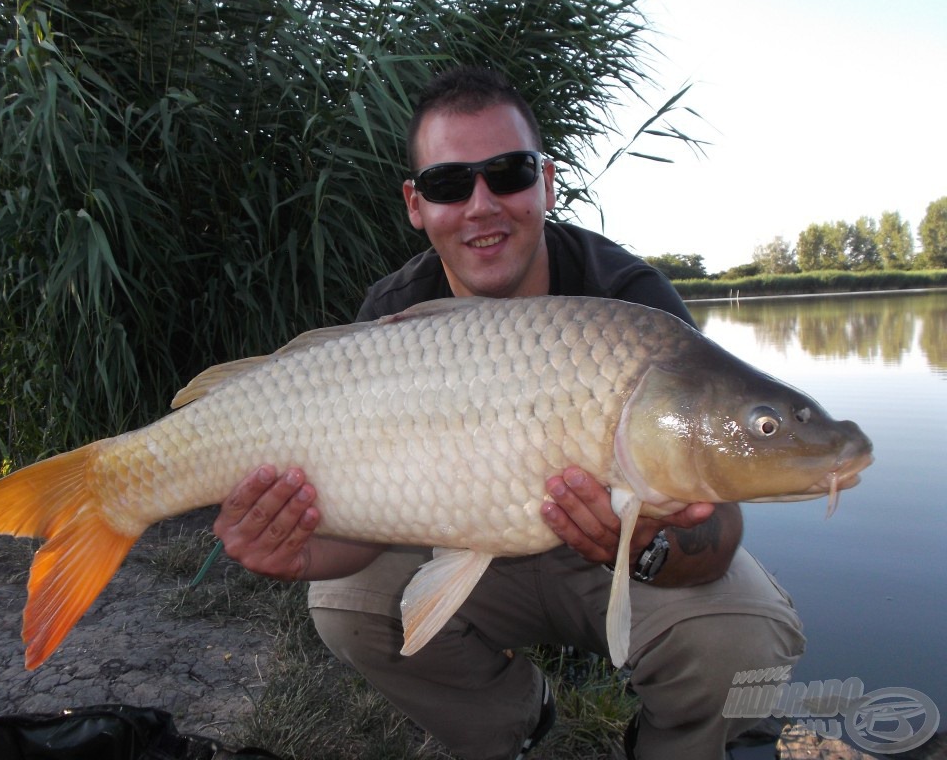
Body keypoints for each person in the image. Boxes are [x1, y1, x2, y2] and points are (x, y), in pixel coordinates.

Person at [212, 66, 805, 760]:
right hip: (469, 551)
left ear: (546, 183)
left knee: (744, 634)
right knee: (342, 603)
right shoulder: (393, 315)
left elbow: (719, 531)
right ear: (416, 203)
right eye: (449, 184)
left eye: (509, 173)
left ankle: (672, 745)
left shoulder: (630, 307)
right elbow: (367, 530)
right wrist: (302, 550)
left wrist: (643, 543)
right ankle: (514, 723)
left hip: (610, 561)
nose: (481, 204)